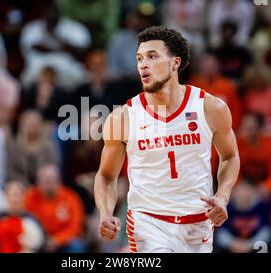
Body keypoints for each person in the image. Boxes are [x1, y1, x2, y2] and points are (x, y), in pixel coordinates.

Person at [94, 26, 240, 253]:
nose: (143, 64)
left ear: (175, 63)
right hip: (148, 222)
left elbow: (230, 157)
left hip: (198, 222)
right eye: (139, 58)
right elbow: (105, 175)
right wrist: (105, 213)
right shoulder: (123, 117)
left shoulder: (210, 107)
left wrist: (222, 196)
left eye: (152, 57)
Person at [25, 164, 86, 253]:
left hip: (64, 243)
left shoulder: (70, 197)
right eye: (44, 179)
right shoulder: (31, 197)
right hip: (39, 241)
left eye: (50, 179)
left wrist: (57, 240)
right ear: (38, 181)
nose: (47, 183)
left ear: (59, 181)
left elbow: (75, 227)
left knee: (77, 246)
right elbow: (26, 221)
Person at [0, 180, 45, 253]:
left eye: (18, 195)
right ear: (6, 196)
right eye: (12, 195)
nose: (15, 199)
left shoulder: (32, 220)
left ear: (24, 197)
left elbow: (42, 246)